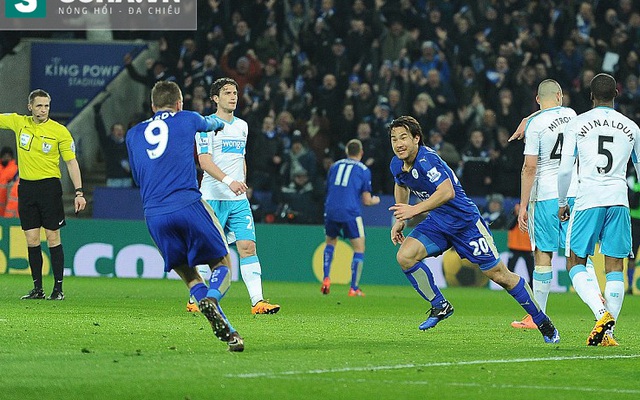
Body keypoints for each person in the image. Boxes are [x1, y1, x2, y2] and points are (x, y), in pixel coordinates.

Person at [387, 115, 559, 343]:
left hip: (466, 224)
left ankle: (542, 321)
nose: (398, 144)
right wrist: (401, 217)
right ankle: (440, 305)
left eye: (404, 138)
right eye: (394, 139)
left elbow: (446, 192)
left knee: (500, 276)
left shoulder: (427, 160)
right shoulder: (396, 164)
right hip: (438, 222)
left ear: (416, 138)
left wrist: (414, 210)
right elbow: (401, 183)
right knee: (405, 257)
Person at [126, 80, 243, 352]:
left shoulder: (133, 134)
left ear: (153, 106)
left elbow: (136, 176)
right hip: (187, 203)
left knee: (190, 276)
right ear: (179, 103)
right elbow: (215, 124)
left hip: (154, 214)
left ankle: (231, 333)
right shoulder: (187, 118)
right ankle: (213, 299)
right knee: (223, 264)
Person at [558, 73, 640, 346]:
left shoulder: (577, 124)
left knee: (574, 261)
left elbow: (566, 168)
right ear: (616, 95)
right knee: (615, 265)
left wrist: (561, 202)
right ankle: (609, 333)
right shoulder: (631, 128)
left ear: (591, 96)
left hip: (588, 198)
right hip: (618, 199)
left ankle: (601, 313)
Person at [196, 77, 280, 315]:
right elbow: (204, 161)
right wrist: (228, 181)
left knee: (248, 246)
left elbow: (240, 158)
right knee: (207, 251)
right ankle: (196, 297)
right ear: (215, 98)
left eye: (235, 93)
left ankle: (258, 302)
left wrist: (241, 181)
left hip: (237, 200)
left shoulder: (242, 126)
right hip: (212, 197)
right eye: (227, 93)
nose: (233, 97)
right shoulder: (205, 125)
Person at [511, 79, 588, 329]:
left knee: (543, 253)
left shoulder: (535, 125)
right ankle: (601, 310)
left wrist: (523, 205)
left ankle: (538, 316)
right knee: (577, 256)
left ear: (536, 100)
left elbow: (529, 167)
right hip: (574, 192)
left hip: (544, 195)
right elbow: (553, 113)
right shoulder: (571, 114)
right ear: (560, 95)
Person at [0, 89, 86, 300]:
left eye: (46, 105)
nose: (43, 109)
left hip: (49, 188)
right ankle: (38, 289)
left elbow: (71, 162)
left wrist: (79, 192)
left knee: (52, 236)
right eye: (39, 105)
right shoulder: (19, 122)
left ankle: (58, 288)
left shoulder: (60, 131)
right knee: (31, 238)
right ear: (30, 107)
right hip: (27, 188)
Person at [321, 139, 380, 296]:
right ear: (361, 153)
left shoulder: (334, 166)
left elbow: (328, 189)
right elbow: (366, 200)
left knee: (330, 243)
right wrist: (376, 200)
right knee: (359, 248)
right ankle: (354, 287)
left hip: (331, 209)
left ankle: (326, 278)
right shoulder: (364, 169)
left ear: (347, 151)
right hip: (350, 212)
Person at [93, 101, 133, 187]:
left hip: (127, 179)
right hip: (113, 178)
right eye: (117, 130)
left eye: (121, 129)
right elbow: (101, 132)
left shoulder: (129, 143)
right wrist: (97, 115)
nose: (119, 132)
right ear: (112, 132)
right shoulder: (109, 144)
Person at [0, 147, 18, 215]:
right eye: (4, 156)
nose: (6, 158)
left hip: (8, 204)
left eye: (8, 156)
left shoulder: (14, 169)